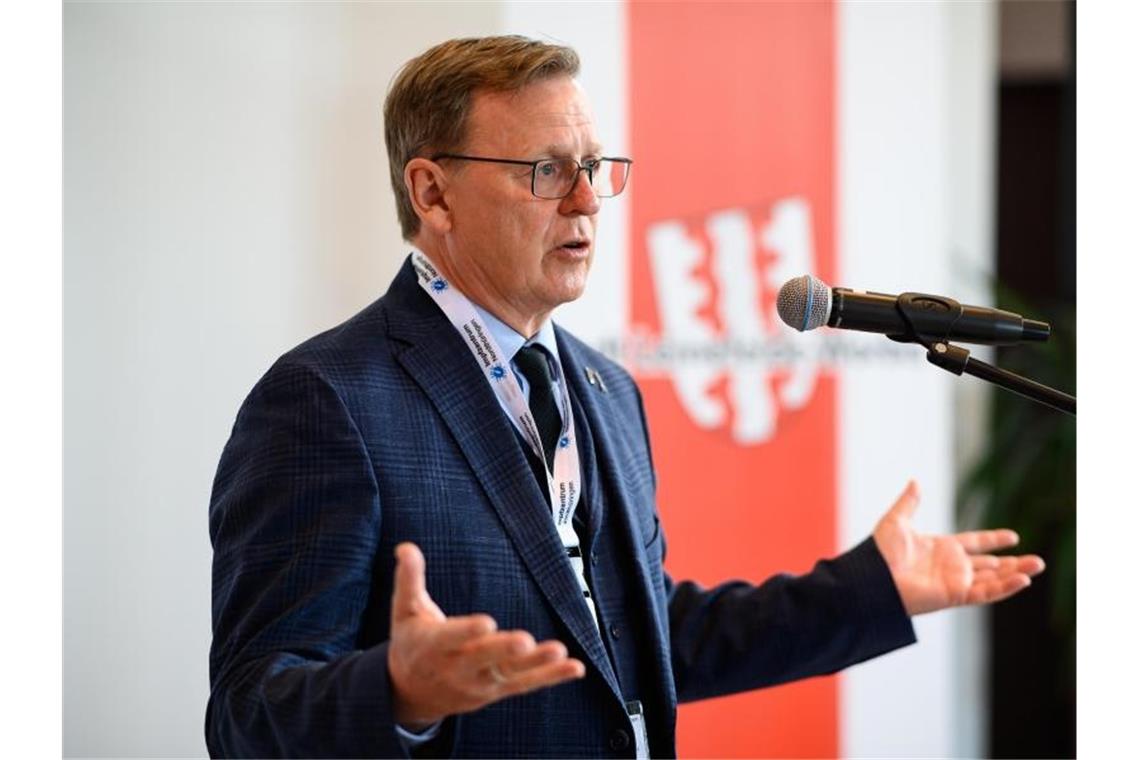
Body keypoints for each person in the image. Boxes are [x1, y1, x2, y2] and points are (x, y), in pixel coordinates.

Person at [206, 35, 1045, 758]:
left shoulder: (603, 390)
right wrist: (399, 693)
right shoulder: (328, 401)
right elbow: (248, 716)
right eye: (545, 170)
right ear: (431, 193)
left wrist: (872, 593)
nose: (584, 200)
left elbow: (640, 637)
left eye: (595, 168)